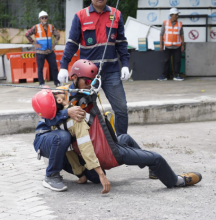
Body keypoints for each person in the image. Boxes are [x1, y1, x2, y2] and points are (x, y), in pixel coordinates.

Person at [33, 59, 202, 194]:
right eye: (86, 81)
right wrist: (66, 112)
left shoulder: (88, 93)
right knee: (63, 138)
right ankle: (51, 176)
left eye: (92, 82)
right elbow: (45, 120)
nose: (89, 85)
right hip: (49, 139)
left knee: (124, 139)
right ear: (74, 78)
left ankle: (152, 169)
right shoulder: (60, 93)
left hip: (83, 146)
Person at [57, 0, 130, 136]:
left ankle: (122, 144)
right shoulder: (80, 16)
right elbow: (72, 43)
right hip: (86, 75)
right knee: (84, 110)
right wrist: (63, 66)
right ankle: (89, 144)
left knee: (121, 109)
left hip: (111, 72)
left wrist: (125, 64)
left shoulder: (116, 14)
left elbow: (121, 43)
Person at [25, 11, 61, 87]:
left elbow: (57, 35)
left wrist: (54, 44)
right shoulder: (36, 27)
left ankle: (57, 82)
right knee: (40, 68)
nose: (44, 19)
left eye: (45, 17)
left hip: (49, 51)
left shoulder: (51, 27)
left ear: (47, 18)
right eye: (42, 18)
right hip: (40, 51)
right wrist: (34, 43)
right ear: (40, 19)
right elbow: (27, 34)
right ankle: (41, 83)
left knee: (54, 67)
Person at [159, 7, 185, 81]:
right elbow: (161, 34)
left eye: (177, 15)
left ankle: (177, 75)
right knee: (166, 61)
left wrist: (183, 45)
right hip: (168, 46)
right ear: (171, 15)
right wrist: (161, 44)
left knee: (177, 61)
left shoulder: (180, 24)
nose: (177, 16)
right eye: (176, 15)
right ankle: (164, 76)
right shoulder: (165, 23)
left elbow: (182, 35)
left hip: (177, 46)